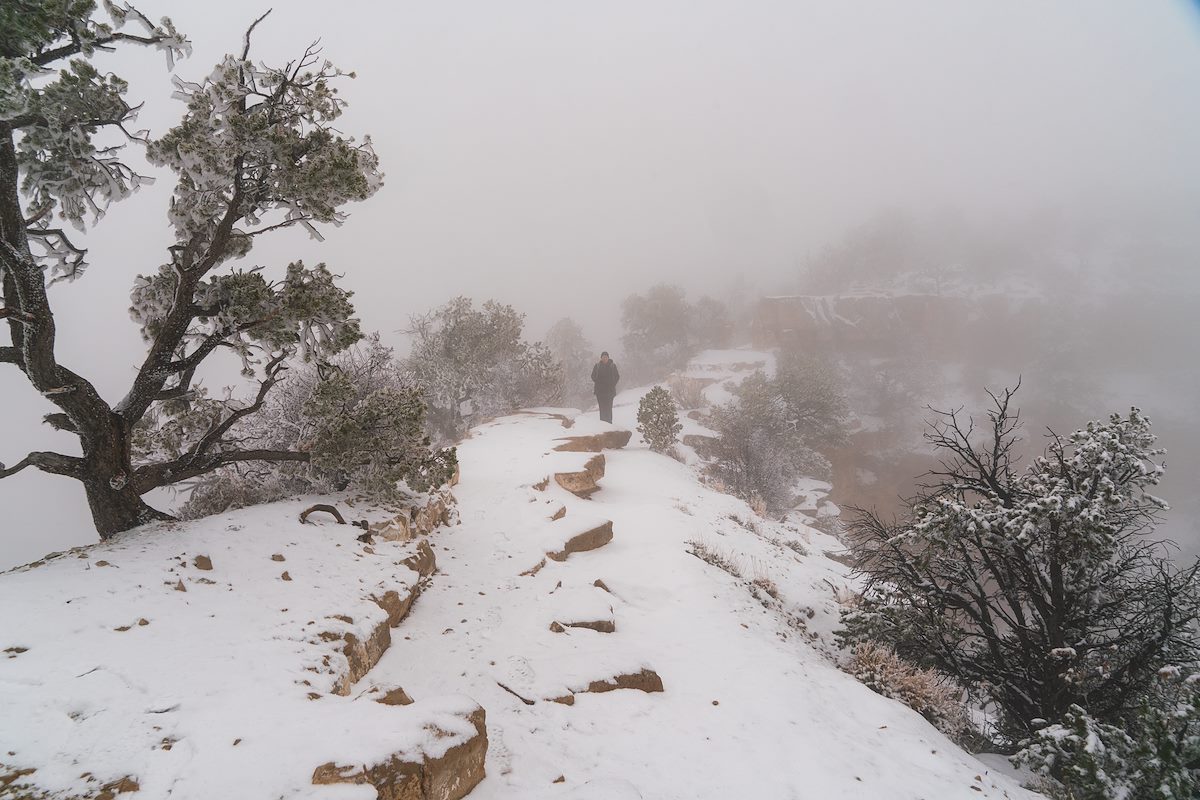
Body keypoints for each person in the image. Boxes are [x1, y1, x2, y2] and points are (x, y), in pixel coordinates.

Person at [590, 351, 620, 423]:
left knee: (608, 408)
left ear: (608, 358)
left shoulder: (612, 366)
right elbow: (593, 376)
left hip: (610, 391)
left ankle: (609, 423)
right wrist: (598, 382)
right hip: (600, 392)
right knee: (602, 408)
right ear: (601, 358)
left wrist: (612, 384)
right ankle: (603, 424)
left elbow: (617, 376)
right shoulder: (597, 366)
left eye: (606, 357)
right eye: (603, 357)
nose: (604, 358)